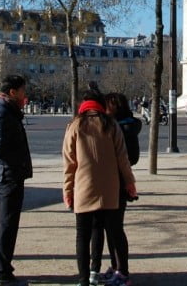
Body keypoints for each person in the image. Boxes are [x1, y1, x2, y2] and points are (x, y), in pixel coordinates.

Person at [63, 90, 137, 286]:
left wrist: (67, 191)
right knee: (115, 231)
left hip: (84, 187)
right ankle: (122, 273)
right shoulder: (111, 125)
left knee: (83, 235)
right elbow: (123, 160)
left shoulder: (75, 125)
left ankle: (85, 277)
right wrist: (130, 184)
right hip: (110, 188)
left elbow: (69, 164)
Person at [0, 74, 34, 286]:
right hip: (9, 175)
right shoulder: (4, 113)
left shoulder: (3, 110)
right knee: (7, 225)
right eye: (23, 91)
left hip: (6, 174)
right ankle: (2, 272)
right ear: (12, 92)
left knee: (0, 223)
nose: (25, 96)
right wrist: (18, 165)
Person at [91, 92, 142, 286]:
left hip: (116, 183)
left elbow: (130, 158)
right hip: (117, 181)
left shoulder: (120, 129)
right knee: (112, 227)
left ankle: (122, 271)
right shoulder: (124, 127)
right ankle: (117, 267)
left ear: (114, 107)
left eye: (107, 106)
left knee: (114, 228)